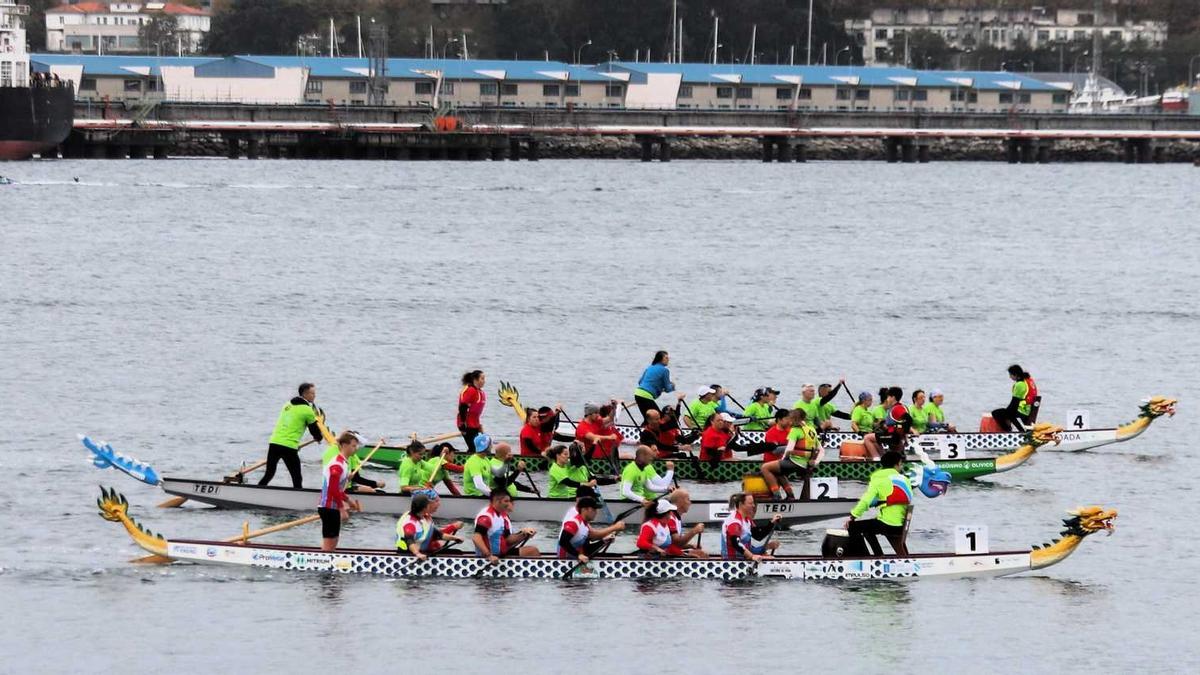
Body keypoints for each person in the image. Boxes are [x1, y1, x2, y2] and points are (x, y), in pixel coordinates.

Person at [845, 450, 912, 555]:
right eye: (901, 464)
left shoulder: (878, 478)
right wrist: (878, 503)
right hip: (900, 525)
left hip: (887, 524)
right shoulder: (905, 479)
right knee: (868, 528)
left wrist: (853, 516)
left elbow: (866, 500)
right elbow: (900, 499)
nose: (901, 466)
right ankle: (878, 556)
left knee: (853, 527)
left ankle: (865, 558)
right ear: (897, 464)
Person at [260, 382, 324, 488]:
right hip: (288, 447)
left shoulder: (287, 404)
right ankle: (297, 499)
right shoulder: (307, 410)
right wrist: (319, 438)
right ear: (305, 394)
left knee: (269, 473)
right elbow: (315, 432)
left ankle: (257, 492)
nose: (314, 396)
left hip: (274, 443)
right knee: (296, 477)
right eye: (312, 393)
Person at [761, 408, 820, 500]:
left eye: (790, 419)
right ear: (780, 420)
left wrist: (787, 456)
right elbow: (774, 451)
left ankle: (777, 496)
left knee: (765, 468)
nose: (789, 421)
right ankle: (790, 495)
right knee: (779, 472)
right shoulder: (811, 429)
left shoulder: (794, 430)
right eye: (787, 419)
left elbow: (790, 448)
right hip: (800, 461)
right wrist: (814, 461)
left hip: (793, 461)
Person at [318, 431, 363, 552]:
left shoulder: (344, 463)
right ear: (344, 445)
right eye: (353, 446)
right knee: (329, 543)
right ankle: (324, 562)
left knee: (335, 540)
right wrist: (342, 508)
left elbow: (337, 489)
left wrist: (349, 500)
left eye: (356, 446)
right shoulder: (337, 465)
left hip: (332, 507)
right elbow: (332, 489)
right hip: (327, 507)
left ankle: (329, 560)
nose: (356, 449)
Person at [473, 489, 539, 563]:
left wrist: (524, 534)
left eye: (509, 501)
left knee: (532, 550)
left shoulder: (502, 516)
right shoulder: (486, 517)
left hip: (501, 554)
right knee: (532, 551)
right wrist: (489, 556)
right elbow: (476, 538)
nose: (509, 504)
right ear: (497, 501)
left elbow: (508, 540)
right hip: (490, 557)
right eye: (506, 501)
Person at [395, 493, 464, 559]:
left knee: (457, 552)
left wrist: (455, 538)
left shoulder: (423, 517)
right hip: (408, 555)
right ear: (425, 507)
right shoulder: (410, 523)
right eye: (430, 504)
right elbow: (409, 540)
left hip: (423, 552)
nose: (437, 504)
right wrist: (417, 554)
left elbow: (437, 535)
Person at [557, 496, 625, 563]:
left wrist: (603, 541)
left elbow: (587, 549)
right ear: (584, 509)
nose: (596, 512)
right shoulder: (574, 523)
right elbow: (563, 542)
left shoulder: (585, 526)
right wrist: (578, 555)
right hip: (564, 562)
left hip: (576, 558)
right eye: (594, 509)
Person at [721, 493, 782, 561]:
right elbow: (736, 544)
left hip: (743, 557)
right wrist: (752, 556)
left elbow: (758, 535)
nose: (753, 506)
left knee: (768, 554)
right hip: (732, 561)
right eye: (750, 503)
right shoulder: (734, 521)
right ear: (741, 504)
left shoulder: (747, 520)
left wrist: (772, 523)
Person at [634, 350, 684, 417]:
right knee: (658, 417)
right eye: (666, 358)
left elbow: (640, 382)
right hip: (646, 396)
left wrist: (656, 385)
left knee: (648, 418)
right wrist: (673, 386)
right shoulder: (665, 370)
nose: (668, 359)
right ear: (660, 359)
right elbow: (668, 389)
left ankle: (644, 427)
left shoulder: (650, 367)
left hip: (637, 393)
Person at [992, 364, 1038, 432]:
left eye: (1010, 375)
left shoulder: (1020, 384)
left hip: (1022, 410)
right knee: (1007, 413)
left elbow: (1014, 402)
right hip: (1027, 408)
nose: (1010, 377)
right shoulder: (1027, 380)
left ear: (1015, 375)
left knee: (996, 413)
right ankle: (1021, 431)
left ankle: (1010, 432)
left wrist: (1006, 413)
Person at [666, 489, 707, 556]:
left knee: (703, 554)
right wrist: (694, 531)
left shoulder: (676, 517)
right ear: (680, 501)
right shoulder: (670, 518)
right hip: (664, 555)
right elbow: (677, 543)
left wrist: (690, 546)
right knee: (702, 555)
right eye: (688, 499)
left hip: (670, 551)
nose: (690, 503)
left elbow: (675, 543)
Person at [457, 370, 487, 454]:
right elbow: (462, 407)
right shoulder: (471, 390)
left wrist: (478, 425)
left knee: (479, 448)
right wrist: (463, 424)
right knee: (474, 448)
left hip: (475, 424)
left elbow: (476, 411)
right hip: (466, 424)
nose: (484, 381)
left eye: (484, 378)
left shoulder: (480, 392)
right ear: (475, 379)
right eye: (482, 378)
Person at [878, 386, 915, 453]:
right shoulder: (895, 407)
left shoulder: (897, 408)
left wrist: (903, 433)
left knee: (868, 438)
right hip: (893, 436)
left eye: (888, 397)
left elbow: (908, 419)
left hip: (893, 436)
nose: (887, 399)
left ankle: (876, 458)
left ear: (893, 398)